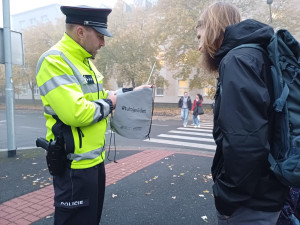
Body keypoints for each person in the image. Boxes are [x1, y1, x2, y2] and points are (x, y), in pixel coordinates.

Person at [36, 5, 150, 225]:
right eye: (99, 36)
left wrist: (129, 93)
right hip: (74, 166)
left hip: (93, 163)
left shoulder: (83, 61)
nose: (103, 43)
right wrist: (110, 103)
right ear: (81, 32)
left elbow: (97, 96)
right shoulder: (54, 61)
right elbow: (77, 112)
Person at [196, 2, 289, 224]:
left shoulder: (237, 60)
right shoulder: (258, 54)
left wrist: (227, 198)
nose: (199, 46)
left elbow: (245, 141)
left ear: (211, 28)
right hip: (268, 189)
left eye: (198, 37)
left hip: (250, 201)